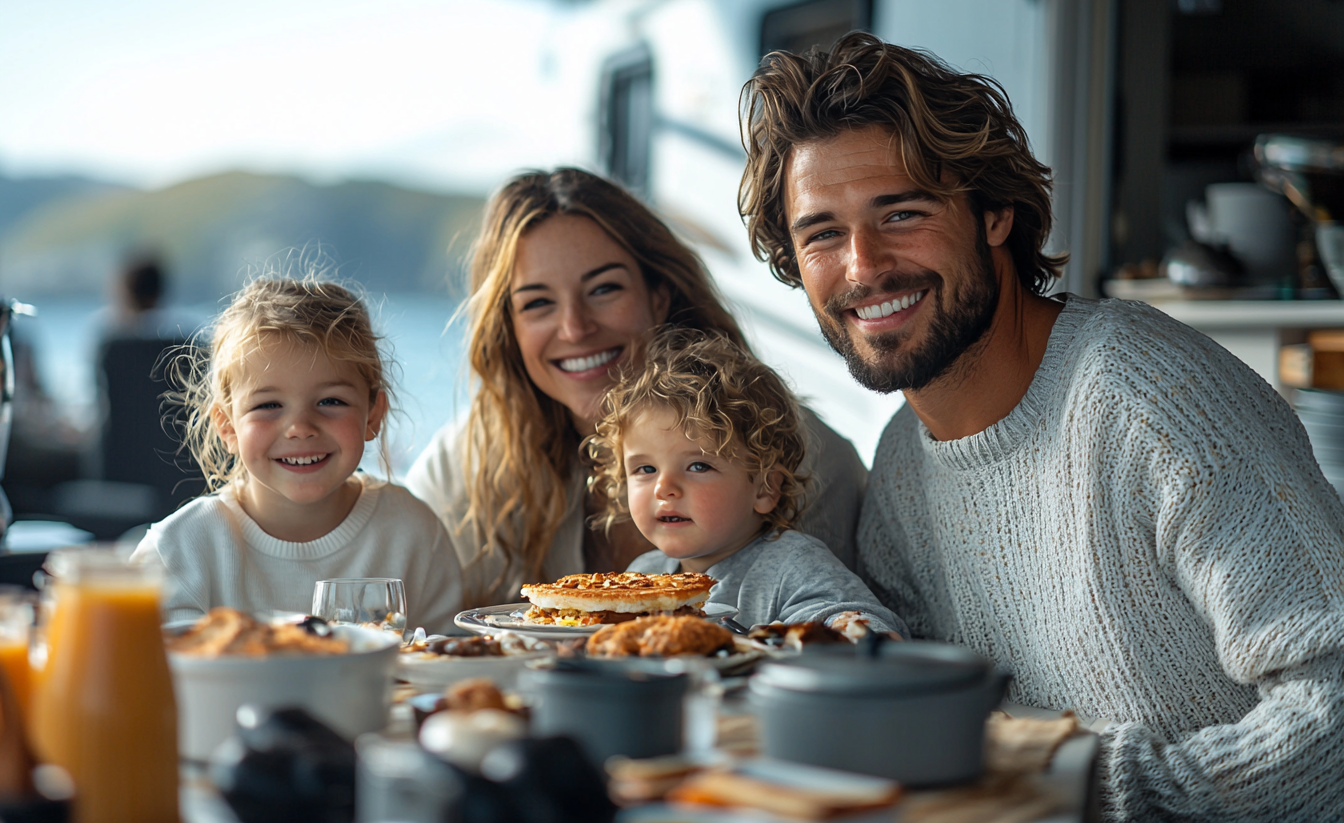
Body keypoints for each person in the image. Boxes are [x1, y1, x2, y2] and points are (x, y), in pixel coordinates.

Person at [738, 31, 1344, 821]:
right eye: (822, 233)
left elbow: (1334, 718)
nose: (863, 266)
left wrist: (1074, 783)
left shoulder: (1151, 400)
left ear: (993, 214)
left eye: (903, 212)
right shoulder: (900, 469)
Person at [405, 169, 868, 609]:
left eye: (604, 289)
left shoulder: (809, 457)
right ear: (509, 329)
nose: (575, 327)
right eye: (538, 303)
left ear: (659, 295)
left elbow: (834, 639)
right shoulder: (466, 466)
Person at [131, 276, 463, 633]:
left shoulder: (413, 533)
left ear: (373, 416)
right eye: (269, 405)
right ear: (227, 427)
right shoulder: (180, 550)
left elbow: (446, 667)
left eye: (330, 401)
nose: (300, 427)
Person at [586, 329, 903, 632]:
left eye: (698, 466)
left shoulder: (791, 564)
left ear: (765, 488)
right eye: (645, 469)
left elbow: (856, 621)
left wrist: (840, 633)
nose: (663, 487)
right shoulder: (643, 574)